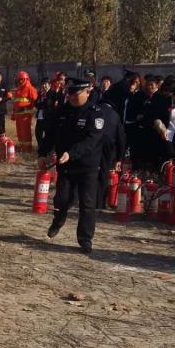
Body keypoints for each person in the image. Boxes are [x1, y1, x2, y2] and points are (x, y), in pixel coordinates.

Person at [39, 78, 106, 255]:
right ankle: (58, 221)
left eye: (76, 94)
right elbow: (50, 135)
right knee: (62, 199)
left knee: (87, 203)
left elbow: (92, 140)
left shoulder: (95, 113)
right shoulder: (62, 111)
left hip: (87, 166)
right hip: (65, 165)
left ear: (87, 93)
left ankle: (85, 239)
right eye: (70, 94)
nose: (72, 97)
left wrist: (72, 153)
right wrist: (42, 154)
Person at [9, 71, 38, 153]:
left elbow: (35, 104)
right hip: (18, 116)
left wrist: (25, 110)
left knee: (26, 133)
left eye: (22, 79)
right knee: (20, 133)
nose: (20, 81)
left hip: (26, 116)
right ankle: (22, 148)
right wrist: (13, 115)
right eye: (19, 80)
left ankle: (28, 150)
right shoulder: (18, 89)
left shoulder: (31, 89)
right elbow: (16, 103)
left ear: (26, 79)